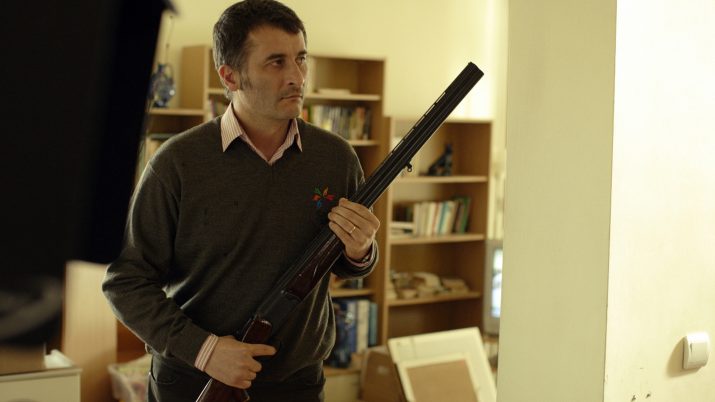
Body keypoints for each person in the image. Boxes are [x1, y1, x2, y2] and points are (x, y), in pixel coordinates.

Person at [102, 1, 380, 401]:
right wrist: (205, 350)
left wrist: (361, 250)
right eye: (276, 62)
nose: (297, 76)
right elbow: (125, 281)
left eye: (301, 58)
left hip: (298, 386)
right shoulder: (176, 163)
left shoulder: (337, 158)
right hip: (193, 380)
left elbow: (347, 265)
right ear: (229, 76)